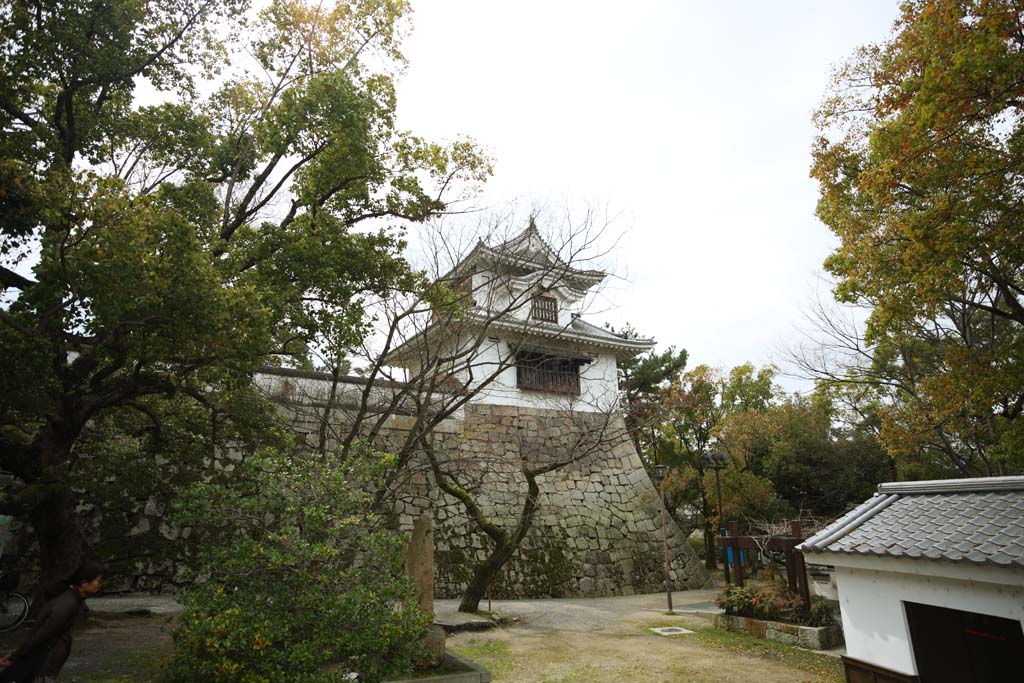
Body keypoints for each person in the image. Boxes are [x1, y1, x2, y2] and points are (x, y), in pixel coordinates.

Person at [0, 561, 105, 683]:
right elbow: (41, 635)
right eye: (98, 581)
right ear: (85, 583)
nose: (99, 585)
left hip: (47, 659)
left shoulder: (72, 599)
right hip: (44, 661)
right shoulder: (67, 603)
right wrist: (15, 657)